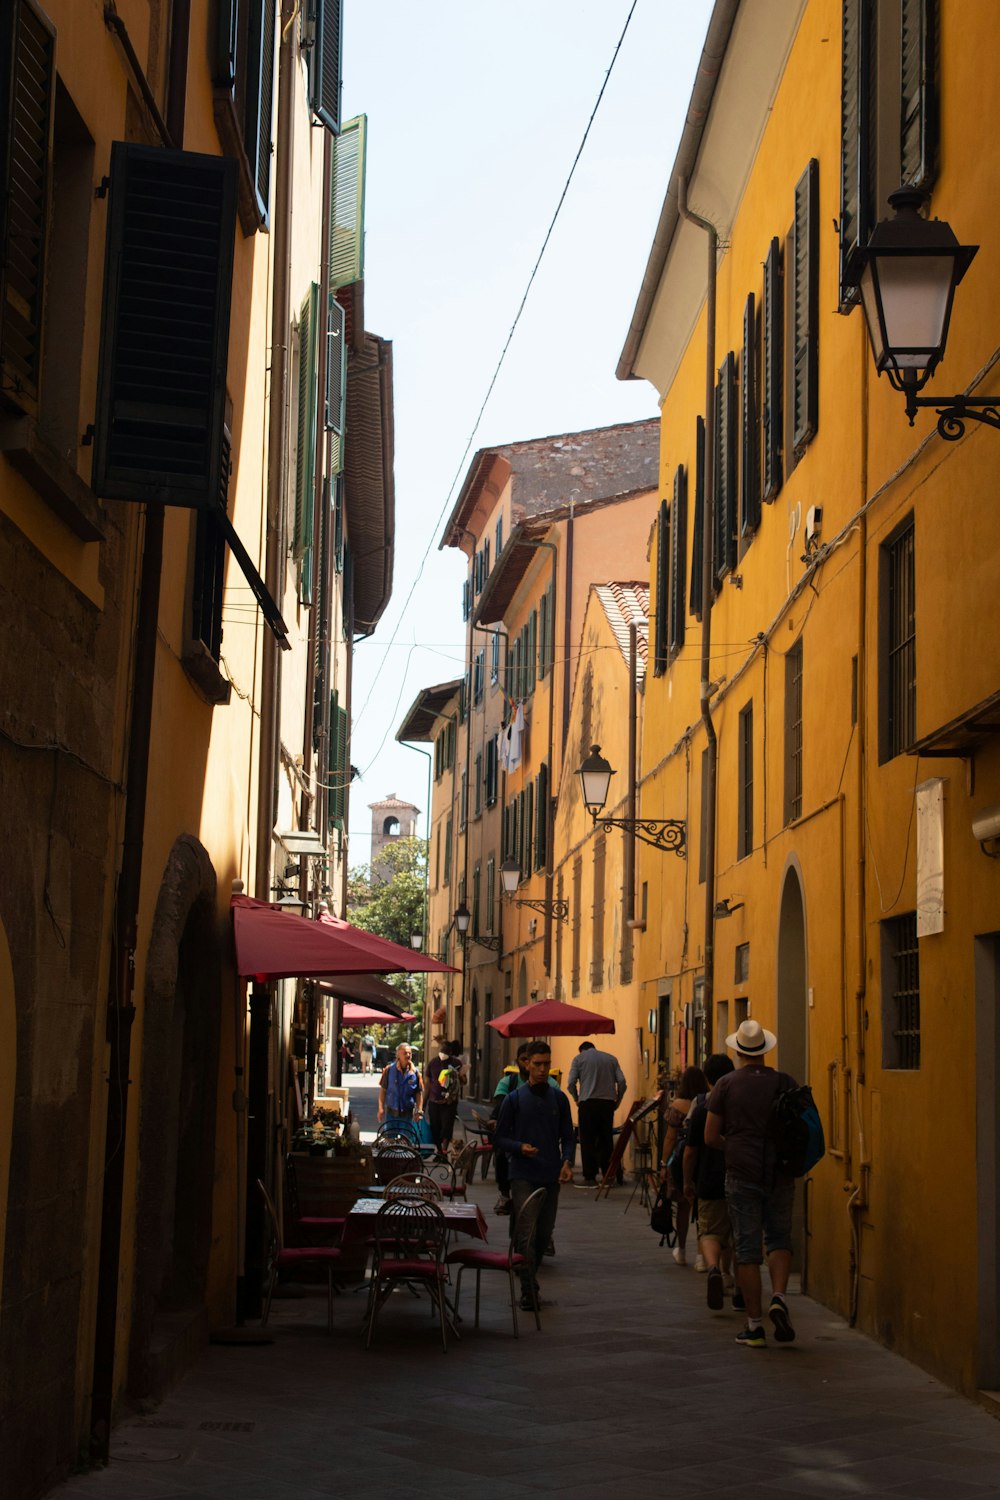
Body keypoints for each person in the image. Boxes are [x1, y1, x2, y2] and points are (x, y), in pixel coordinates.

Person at [704, 1018, 798, 1349]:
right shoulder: (785, 1081)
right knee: (779, 1239)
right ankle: (779, 1297)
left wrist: (736, 1145)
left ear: (739, 1050)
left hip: (742, 1174)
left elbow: (710, 1136)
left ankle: (755, 1326)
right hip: (780, 1173)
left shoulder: (725, 1085)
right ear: (764, 1049)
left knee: (746, 1248)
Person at [494, 1040, 574, 1309]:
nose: (542, 1070)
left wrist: (567, 1162)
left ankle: (530, 1275)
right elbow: (500, 1138)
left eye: (547, 1064)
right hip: (522, 1175)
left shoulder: (559, 1099)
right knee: (527, 1231)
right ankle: (528, 1289)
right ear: (526, 1064)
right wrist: (519, 1147)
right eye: (538, 1064)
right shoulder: (513, 1100)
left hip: (550, 1175)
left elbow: (568, 1136)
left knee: (544, 1234)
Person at [682, 1052, 737, 1311]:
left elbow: (690, 1150)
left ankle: (713, 1268)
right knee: (737, 1232)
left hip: (709, 1179)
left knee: (709, 1231)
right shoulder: (740, 1105)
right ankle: (730, 1276)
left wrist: (686, 1181)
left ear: (707, 1079)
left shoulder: (703, 1106)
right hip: (740, 1176)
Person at [659, 1065, 709, 1266]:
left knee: (682, 1206)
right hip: (702, 1159)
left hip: (680, 1161)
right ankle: (700, 1256)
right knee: (701, 1208)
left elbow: (670, 1138)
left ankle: (681, 1249)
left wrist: (664, 1164)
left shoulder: (678, 1105)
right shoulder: (706, 1103)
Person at [566, 1040, 626, 1187]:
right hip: (607, 1104)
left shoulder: (578, 1059)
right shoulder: (611, 1058)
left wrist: (576, 1098)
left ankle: (590, 1177)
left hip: (587, 1104)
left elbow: (570, 1083)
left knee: (587, 1140)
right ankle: (607, 1174)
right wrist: (617, 1100)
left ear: (582, 1050)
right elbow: (622, 1081)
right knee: (606, 1139)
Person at [424, 1039, 465, 1160]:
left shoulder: (456, 1063)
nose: (443, 1053)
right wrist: (423, 1104)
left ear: (450, 1052)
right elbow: (427, 1084)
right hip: (434, 1101)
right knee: (435, 1128)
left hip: (449, 1103)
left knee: (447, 1128)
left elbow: (463, 1082)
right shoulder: (433, 1063)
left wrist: (460, 1076)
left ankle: (444, 1151)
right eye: (442, 1050)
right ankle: (439, 1151)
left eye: (446, 1051)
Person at [377, 1042, 424, 1124]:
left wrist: (419, 1111)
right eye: (405, 1053)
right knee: (390, 1136)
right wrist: (381, 1108)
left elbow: (418, 1093)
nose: (408, 1055)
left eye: (410, 1053)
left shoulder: (415, 1073)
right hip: (391, 1113)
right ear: (398, 1055)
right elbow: (383, 1090)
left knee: (406, 1136)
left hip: (408, 1114)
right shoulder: (389, 1070)